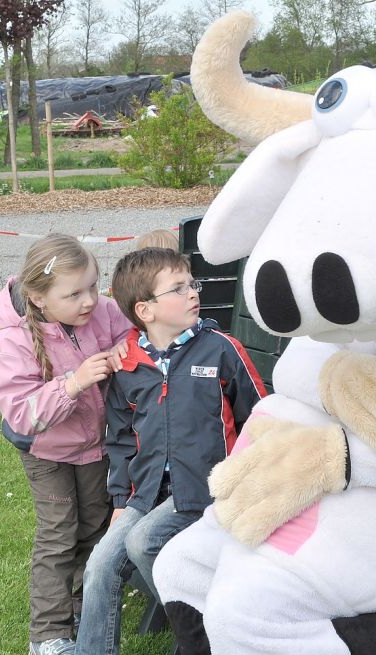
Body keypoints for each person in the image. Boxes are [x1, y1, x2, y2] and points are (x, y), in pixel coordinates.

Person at [76, 247, 267, 655]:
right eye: (178, 289)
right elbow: (122, 440)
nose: (193, 293)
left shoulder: (221, 349)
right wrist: (121, 501)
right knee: (99, 567)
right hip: (147, 494)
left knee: (144, 542)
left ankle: (200, 636)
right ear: (145, 310)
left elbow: (262, 419)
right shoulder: (128, 365)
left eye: (191, 284)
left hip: (207, 488)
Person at [0, 234, 133, 655]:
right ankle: (48, 635)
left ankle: (82, 616)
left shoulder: (102, 312)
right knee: (58, 538)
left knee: (93, 530)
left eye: (93, 285)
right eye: (74, 294)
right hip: (49, 456)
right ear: (38, 298)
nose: (90, 300)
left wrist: (124, 348)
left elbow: (130, 335)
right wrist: (73, 384)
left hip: (96, 448)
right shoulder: (12, 342)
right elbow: (21, 414)